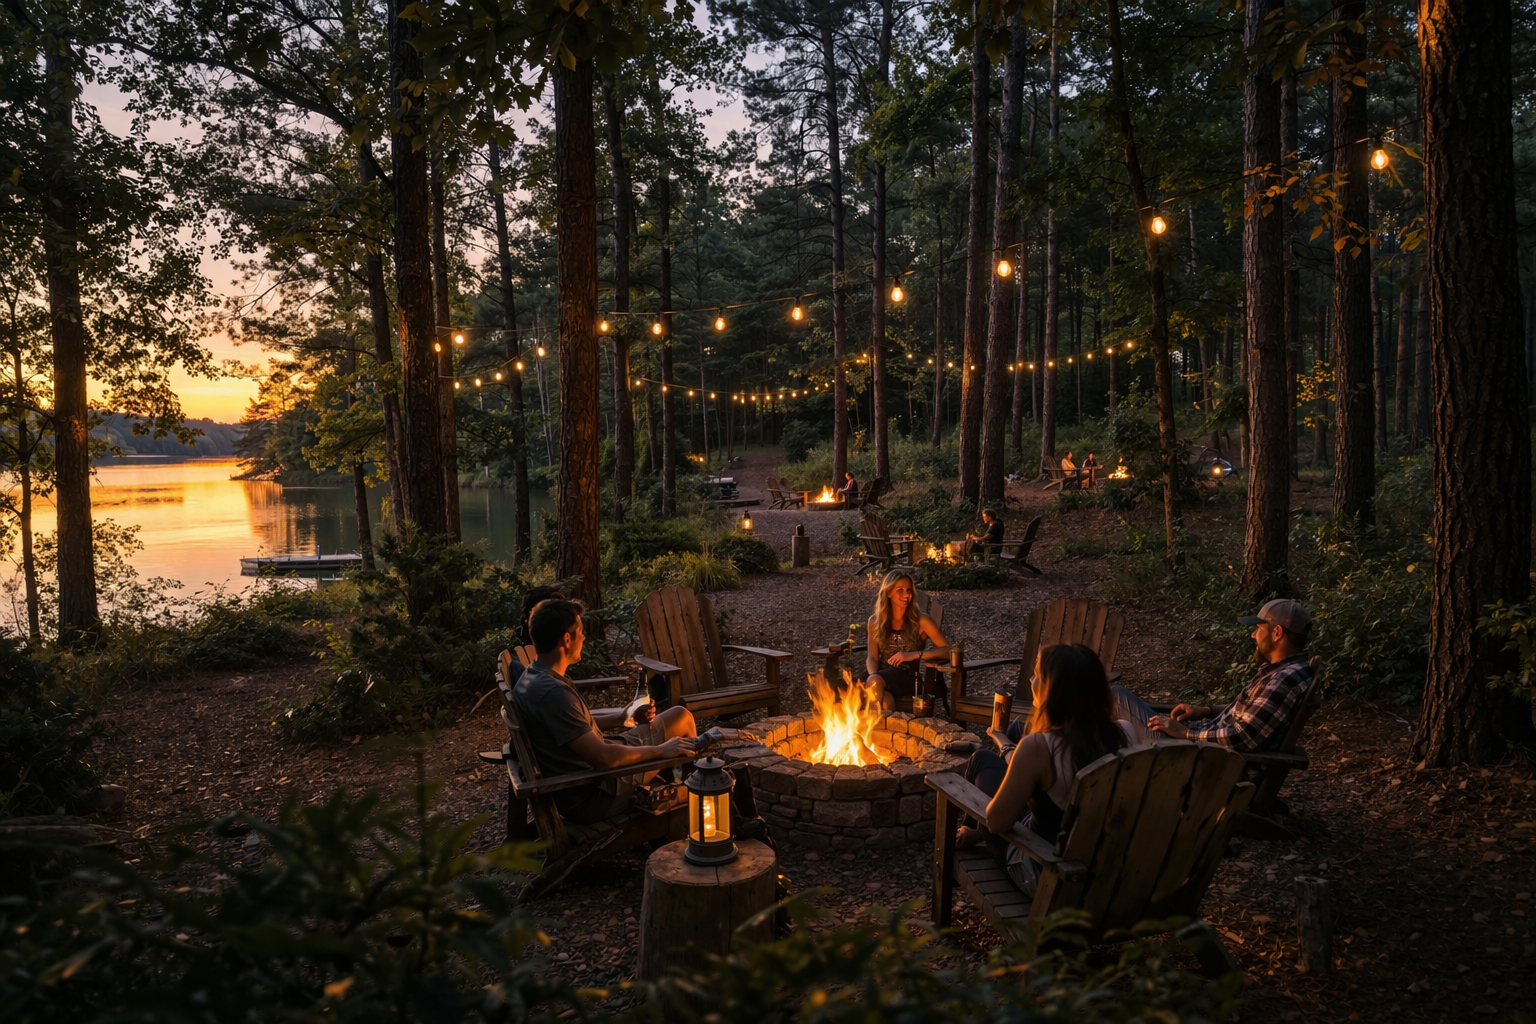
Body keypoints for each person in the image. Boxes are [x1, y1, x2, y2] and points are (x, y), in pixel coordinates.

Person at [513, 598, 750, 823]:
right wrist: (660, 750)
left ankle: (687, 794)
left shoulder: (534, 676)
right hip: (598, 792)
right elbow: (603, 759)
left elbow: (571, 725)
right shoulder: (553, 693)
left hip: (595, 771)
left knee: (680, 716)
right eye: (581, 631)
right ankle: (695, 806)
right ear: (566, 639)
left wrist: (621, 716)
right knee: (684, 733)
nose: (584, 637)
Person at [957, 644, 1135, 894]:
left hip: (1049, 873)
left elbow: (996, 822)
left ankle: (969, 832)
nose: (1032, 680)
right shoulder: (1125, 733)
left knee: (980, 761)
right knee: (989, 761)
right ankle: (974, 833)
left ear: (1053, 692)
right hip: (1107, 866)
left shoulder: (1040, 747)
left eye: (1037, 675)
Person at [1115, 599, 1316, 752]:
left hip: (1201, 757)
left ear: (1277, 633)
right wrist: (1206, 710)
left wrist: (1185, 732)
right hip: (1202, 745)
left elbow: (1244, 736)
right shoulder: (1286, 671)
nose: (1253, 635)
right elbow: (1250, 714)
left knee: (1114, 697)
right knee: (1119, 724)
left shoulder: (1282, 681)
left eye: (1258, 628)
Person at [864, 569, 949, 710]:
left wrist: (914, 655)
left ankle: (869, 729)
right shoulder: (875, 621)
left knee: (872, 685)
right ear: (888, 593)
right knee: (879, 697)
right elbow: (871, 658)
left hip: (907, 677)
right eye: (900, 590)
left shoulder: (921, 621)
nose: (906, 595)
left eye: (909, 590)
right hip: (880, 674)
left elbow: (948, 650)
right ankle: (884, 726)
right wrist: (874, 677)